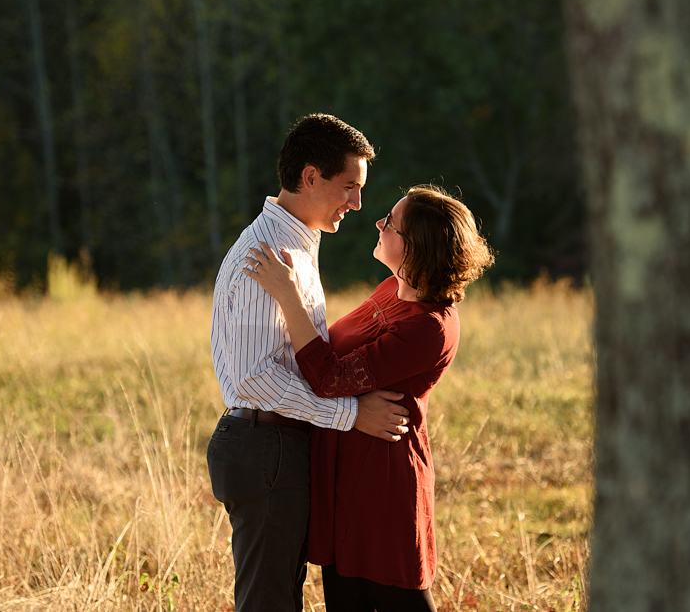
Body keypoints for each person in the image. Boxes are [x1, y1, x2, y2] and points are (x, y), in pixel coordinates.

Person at [244, 184, 495, 612]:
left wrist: (287, 294)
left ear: (416, 248)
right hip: (341, 467)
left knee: (400, 596)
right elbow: (331, 353)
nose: (379, 224)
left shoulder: (430, 326)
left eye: (391, 223)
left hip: (382, 481)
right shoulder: (390, 289)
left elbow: (330, 375)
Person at [207, 113, 412, 612]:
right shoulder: (271, 252)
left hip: (274, 444)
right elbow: (254, 378)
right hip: (266, 444)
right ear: (310, 177)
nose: (357, 203)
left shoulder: (296, 244)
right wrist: (350, 414)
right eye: (349, 186)